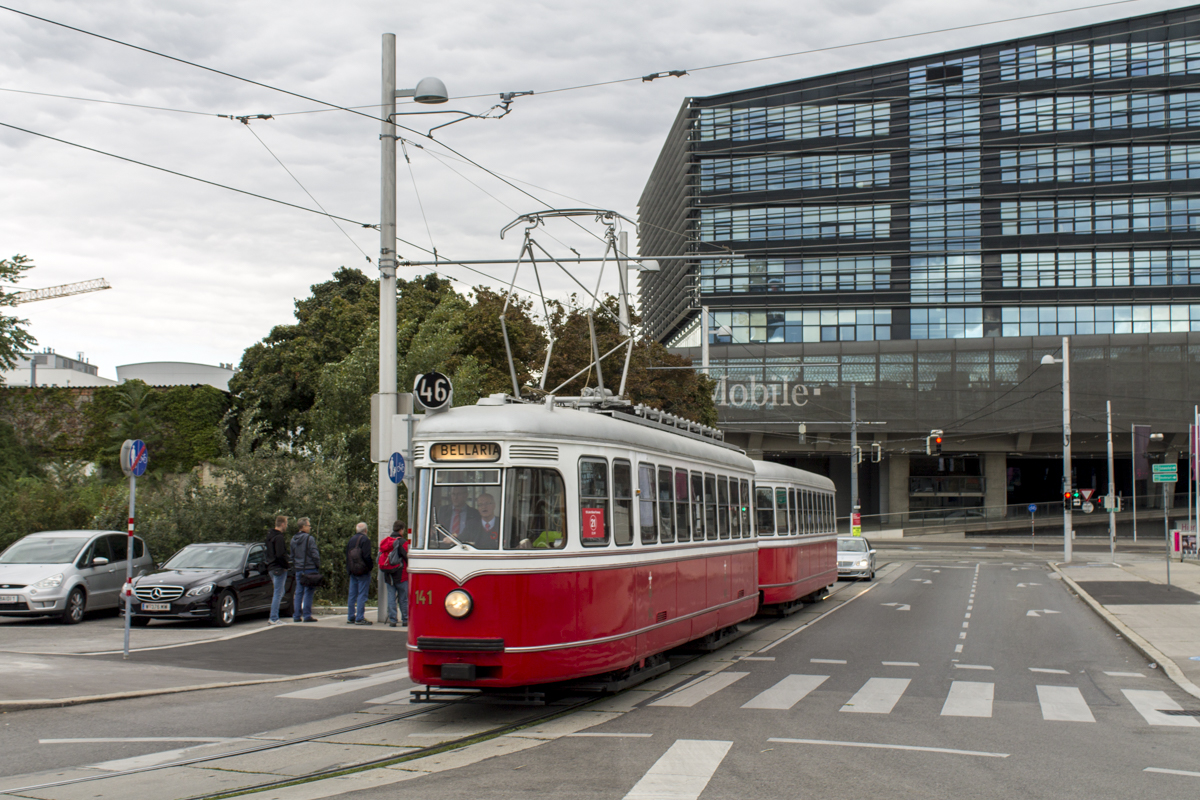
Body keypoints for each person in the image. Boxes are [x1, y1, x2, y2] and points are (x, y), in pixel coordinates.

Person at [378, 521, 409, 627]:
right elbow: (407, 557)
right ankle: (405, 619)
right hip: (401, 574)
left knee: (391, 597)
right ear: (401, 530)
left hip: (388, 575)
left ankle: (393, 620)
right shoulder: (403, 542)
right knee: (403, 598)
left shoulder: (385, 541)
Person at [345, 522, 375, 625]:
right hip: (362, 571)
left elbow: (347, 556)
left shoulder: (351, 540)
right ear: (365, 530)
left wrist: (349, 569)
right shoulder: (365, 540)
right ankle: (360, 617)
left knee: (352, 594)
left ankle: (350, 616)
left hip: (352, 571)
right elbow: (367, 556)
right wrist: (370, 567)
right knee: (362, 594)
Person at [290, 517, 320, 623]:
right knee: (309, 591)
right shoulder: (309, 539)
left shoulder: (293, 539)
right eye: (308, 525)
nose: (310, 527)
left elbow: (292, 555)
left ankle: (296, 615)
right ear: (303, 527)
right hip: (310, 568)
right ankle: (307, 615)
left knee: (299, 592)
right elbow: (314, 553)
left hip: (299, 569)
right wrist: (317, 565)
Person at [265, 515, 290, 625]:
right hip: (278, 568)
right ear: (282, 524)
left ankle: (273, 615)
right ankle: (274, 617)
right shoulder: (279, 538)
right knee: (278, 593)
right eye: (286, 524)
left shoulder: (269, 536)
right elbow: (280, 554)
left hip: (271, 566)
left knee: (279, 591)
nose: (287, 526)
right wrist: (286, 565)